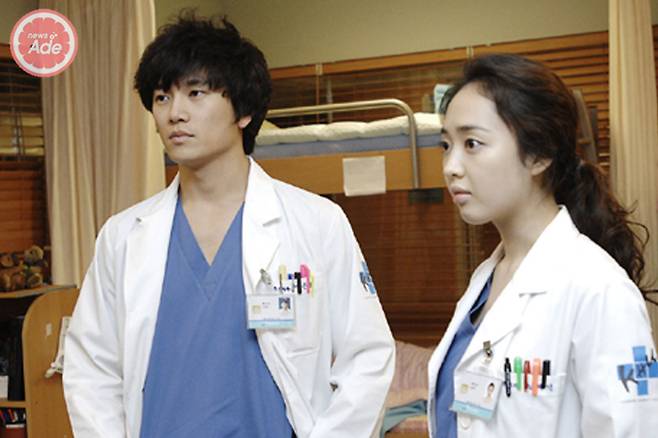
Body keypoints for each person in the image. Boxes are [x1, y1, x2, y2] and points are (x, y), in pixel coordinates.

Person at [63, 12, 394, 438]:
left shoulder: (316, 223)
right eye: (162, 97)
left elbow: (367, 357)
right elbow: (92, 368)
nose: (175, 113)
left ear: (244, 111)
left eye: (195, 93)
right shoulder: (123, 236)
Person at [427, 53, 658, 438]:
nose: (451, 166)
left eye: (472, 143)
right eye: (445, 145)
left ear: (539, 155)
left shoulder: (599, 289)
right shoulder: (486, 280)